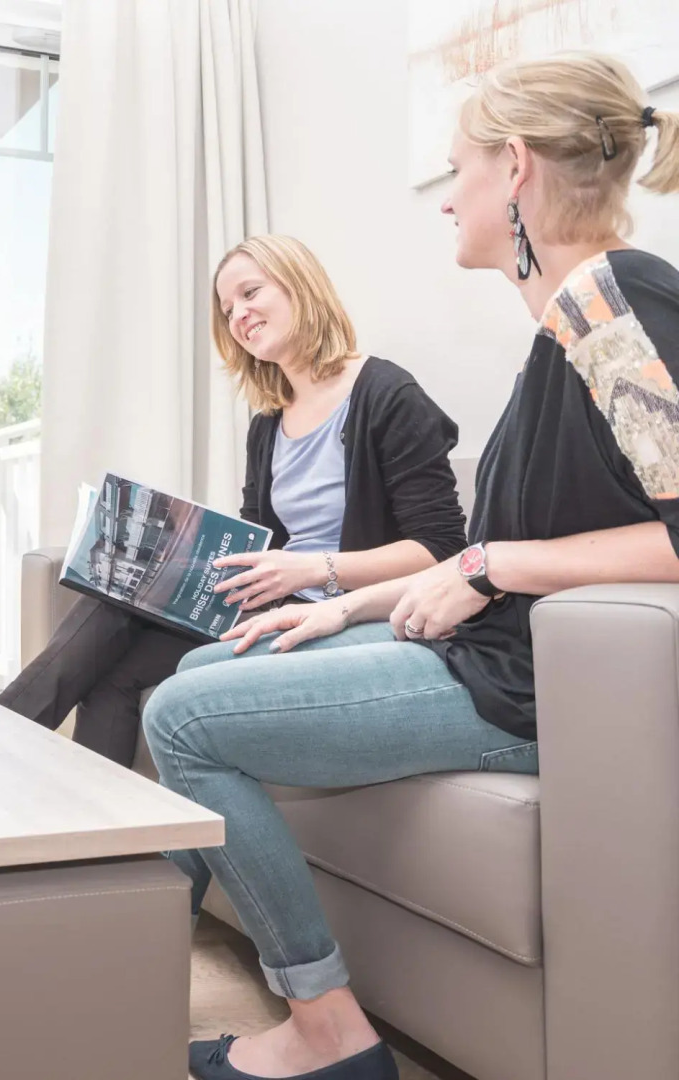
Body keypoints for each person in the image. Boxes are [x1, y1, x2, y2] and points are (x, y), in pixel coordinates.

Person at [143, 52, 679, 1080]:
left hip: (521, 692)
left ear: (515, 168)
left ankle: (327, 1032)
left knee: (182, 719)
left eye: (458, 171)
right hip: (482, 653)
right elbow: (485, 555)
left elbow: (563, 550)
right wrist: (339, 609)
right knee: (202, 673)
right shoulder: (565, 328)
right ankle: (113, 925)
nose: (449, 201)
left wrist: (485, 570)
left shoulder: (616, 304)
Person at [0, 235, 467, 765]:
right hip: (273, 600)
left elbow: (442, 550)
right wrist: (174, 556)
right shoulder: (269, 421)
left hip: (343, 613)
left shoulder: (388, 395)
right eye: (227, 309)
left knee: (115, 647)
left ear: (299, 285)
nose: (239, 315)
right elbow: (258, 534)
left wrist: (312, 569)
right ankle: (87, 836)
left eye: (250, 293)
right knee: (118, 609)